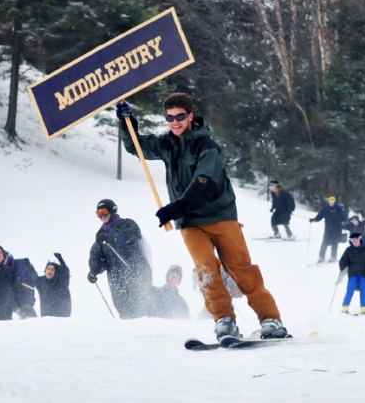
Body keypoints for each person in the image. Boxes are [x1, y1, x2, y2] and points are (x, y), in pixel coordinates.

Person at [118, 94, 289, 340]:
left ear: (190, 116)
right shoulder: (167, 144)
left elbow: (204, 186)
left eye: (179, 117)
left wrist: (174, 209)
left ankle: (270, 319)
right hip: (191, 224)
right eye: (169, 117)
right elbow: (136, 146)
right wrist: (127, 124)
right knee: (206, 271)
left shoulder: (206, 146)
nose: (174, 122)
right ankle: (224, 321)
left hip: (221, 216)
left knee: (240, 269)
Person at [88, 199, 155, 319]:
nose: (102, 216)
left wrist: (114, 239)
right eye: (98, 214)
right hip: (116, 275)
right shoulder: (101, 234)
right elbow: (97, 254)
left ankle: (146, 325)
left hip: (134, 269)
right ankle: (127, 330)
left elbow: (134, 235)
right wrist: (94, 270)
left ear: (112, 210)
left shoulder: (127, 223)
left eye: (104, 212)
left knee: (140, 302)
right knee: (122, 306)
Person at [337, 233, 365, 315]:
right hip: (353, 273)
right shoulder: (349, 250)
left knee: (363, 287)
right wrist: (342, 265)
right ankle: (345, 306)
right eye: (352, 241)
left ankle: (363, 307)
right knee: (351, 287)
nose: (354, 242)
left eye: (355, 240)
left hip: (364, 273)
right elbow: (343, 260)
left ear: (360, 239)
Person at [310, 196, 346, 264]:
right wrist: (313, 220)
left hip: (337, 229)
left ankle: (333, 257)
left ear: (334, 202)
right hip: (328, 229)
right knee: (324, 243)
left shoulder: (339, 208)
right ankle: (321, 257)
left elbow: (344, 217)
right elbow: (319, 216)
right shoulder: (325, 209)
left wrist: (345, 223)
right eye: (330, 201)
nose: (331, 203)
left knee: (334, 243)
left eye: (332, 202)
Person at [35, 253, 72, 317]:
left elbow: (65, 272)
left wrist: (61, 260)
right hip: (46, 315)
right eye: (48, 269)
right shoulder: (41, 281)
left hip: (61, 314)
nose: (50, 271)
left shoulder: (61, 282)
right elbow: (31, 275)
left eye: (52, 269)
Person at [6, 253, 38, 318]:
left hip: (24, 299)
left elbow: (35, 278)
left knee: (30, 318)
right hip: (15, 302)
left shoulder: (20, 264)